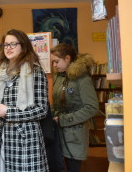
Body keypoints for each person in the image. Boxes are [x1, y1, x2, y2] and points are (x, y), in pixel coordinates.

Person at [0, 29, 49, 172]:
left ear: (23, 47)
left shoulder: (35, 71)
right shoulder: (2, 72)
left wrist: (8, 112)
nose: (8, 48)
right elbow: (0, 110)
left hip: (25, 138)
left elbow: (42, 110)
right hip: (3, 136)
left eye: (13, 44)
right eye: (6, 45)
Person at [50, 43, 99, 172]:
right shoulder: (59, 77)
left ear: (67, 58)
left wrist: (64, 119)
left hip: (75, 134)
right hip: (59, 132)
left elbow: (92, 107)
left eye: (56, 61)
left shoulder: (82, 78)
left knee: (73, 168)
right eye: (53, 62)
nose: (54, 65)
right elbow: (56, 103)